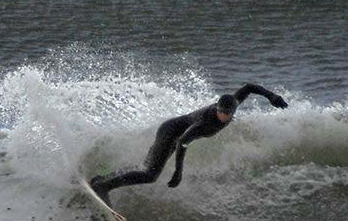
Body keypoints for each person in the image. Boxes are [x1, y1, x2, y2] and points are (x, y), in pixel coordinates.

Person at [90, 84, 288, 206]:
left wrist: (271, 96)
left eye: (226, 113)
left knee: (145, 168)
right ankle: (104, 187)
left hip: (173, 131)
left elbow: (249, 87)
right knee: (150, 175)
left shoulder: (233, 102)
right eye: (220, 111)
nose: (222, 115)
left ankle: (102, 180)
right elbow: (183, 142)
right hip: (171, 132)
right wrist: (178, 171)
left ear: (233, 110)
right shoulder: (206, 122)